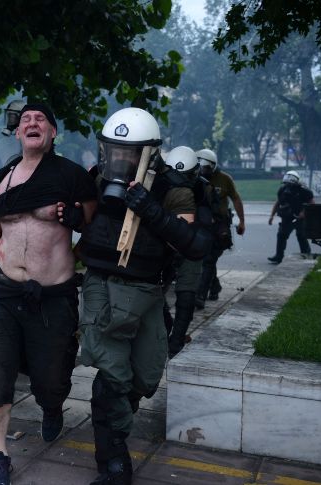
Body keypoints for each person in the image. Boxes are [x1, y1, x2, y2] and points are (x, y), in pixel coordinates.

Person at [77, 108, 211, 485]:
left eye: (129, 152)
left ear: (150, 153)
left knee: (146, 375)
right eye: (114, 150)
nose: (120, 158)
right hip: (102, 286)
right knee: (113, 375)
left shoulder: (172, 189)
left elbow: (196, 244)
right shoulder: (96, 179)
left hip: (148, 291)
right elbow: (83, 219)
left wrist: (152, 210)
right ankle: (113, 457)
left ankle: (111, 421)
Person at [0, 103, 98, 485]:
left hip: (53, 295)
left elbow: (95, 227)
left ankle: (52, 406)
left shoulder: (72, 176)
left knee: (52, 379)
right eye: (26, 119)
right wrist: (3, 256)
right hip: (3, 290)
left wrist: (74, 225)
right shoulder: (0, 180)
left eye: (41, 120)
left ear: (52, 134)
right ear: (17, 133)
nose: (32, 123)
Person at [156, 146, 217, 358]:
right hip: (166, 243)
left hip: (191, 246)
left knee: (186, 292)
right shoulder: (161, 184)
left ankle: (176, 339)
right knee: (155, 289)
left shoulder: (203, 189)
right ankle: (169, 331)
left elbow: (209, 221)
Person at [194, 148, 245, 310]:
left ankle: (200, 295)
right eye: (200, 166)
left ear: (213, 166)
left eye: (207, 167)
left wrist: (242, 221)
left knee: (209, 259)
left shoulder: (224, 179)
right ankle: (214, 286)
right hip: (201, 225)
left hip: (220, 226)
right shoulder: (194, 178)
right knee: (206, 259)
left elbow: (236, 198)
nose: (204, 170)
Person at [267, 170, 315, 263]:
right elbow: (278, 203)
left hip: (300, 218)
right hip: (287, 217)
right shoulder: (282, 190)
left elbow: (312, 203)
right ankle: (278, 256)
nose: (288, 186)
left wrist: (303, 213)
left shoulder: (304, 191)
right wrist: (271, 216)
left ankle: (306, 255)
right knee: (281, 235)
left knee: (301, 235)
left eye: (290, 184)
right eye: (286, 183)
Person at [0, 99, 25, 169]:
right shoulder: (3, 143)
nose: (10, 120)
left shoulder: (31, 141)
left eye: (12, 116)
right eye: (9, 116)